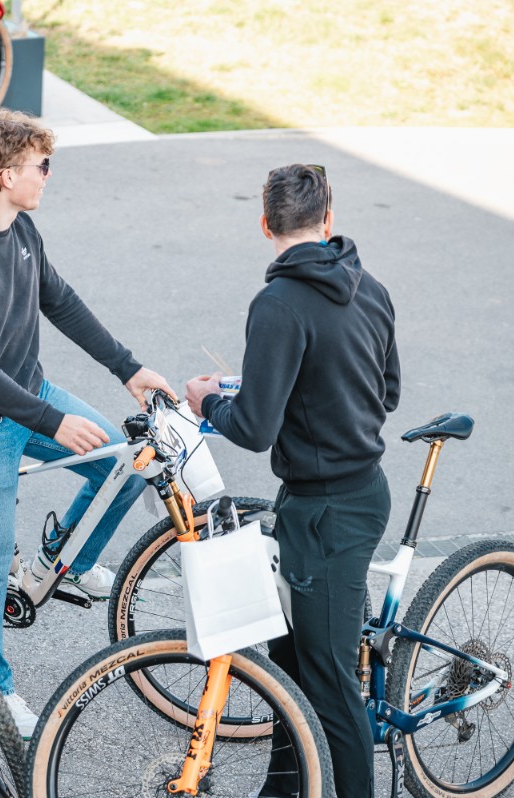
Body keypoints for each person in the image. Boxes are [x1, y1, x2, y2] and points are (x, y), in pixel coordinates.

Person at [0, 109, 175, 737]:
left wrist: (127, 368)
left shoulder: (22, 228)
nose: (48, 176)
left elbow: (59, 300)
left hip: (30, 394)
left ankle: (63, 562)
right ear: (7, 175)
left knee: (123, 464)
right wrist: (52, 421)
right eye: (42, 166)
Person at [184, 164, 400, 798]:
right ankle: (284, 789)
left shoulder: (276, 304)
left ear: (265, 224)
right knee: (290, 664)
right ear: (328, 219)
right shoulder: (371, 287)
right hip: (356, 491)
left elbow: (253, 429)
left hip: (326, 511)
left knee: (328, 683)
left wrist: (206, 402)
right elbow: (386, 392)